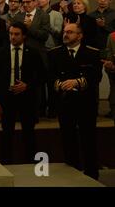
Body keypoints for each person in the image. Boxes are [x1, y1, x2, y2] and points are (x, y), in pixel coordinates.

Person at [48, 23, 102, 180]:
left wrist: (77, 82)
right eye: (65, 32)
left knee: (88, 138)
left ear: (80, 35)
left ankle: (92, 174)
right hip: (65, 101)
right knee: (67, 137)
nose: (66, 34)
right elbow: (49, 75)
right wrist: (61, 84)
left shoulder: (91, 53)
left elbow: (95, 76)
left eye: (70, 32)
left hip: (86, 102)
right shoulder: (55, 53)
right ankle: (72, 172)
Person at [0, 22, 44, 163]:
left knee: (29, 132)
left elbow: (42, 76)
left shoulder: (33, 53)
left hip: (27, 98)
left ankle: (30, 160)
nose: (13, 37)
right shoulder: (0, 53)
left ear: (24, 36)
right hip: (7, 97)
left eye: (16, 34)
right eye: (11, 34)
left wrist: (27, 85)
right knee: (7, 132)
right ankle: (6, 161)